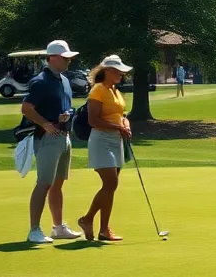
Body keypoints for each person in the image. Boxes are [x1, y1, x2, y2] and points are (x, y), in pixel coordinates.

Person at [19, 40, 83, 244]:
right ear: (52, 58)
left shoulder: (63, 80)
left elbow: (66, 106)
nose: (69, 61)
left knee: (58, 184)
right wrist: (46, 124)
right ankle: (34, 230)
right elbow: (27, 108)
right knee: (44, 183)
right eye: (65, 58)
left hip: (63, 136)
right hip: (47, 137)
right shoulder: (41, 81)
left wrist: (67, 119)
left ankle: (58, 227)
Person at [78, 55, 134, 242]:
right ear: (107, 71)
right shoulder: (98, 90)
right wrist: (119, 127)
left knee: (110, 186)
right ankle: (87, 219)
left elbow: (121, 114)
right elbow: (93, 120)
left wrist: (125, 123)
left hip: (116, 140)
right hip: (101, 140)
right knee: (111, 183)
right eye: (117, 71)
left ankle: (104, 230)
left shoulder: (114, 90)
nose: (121, 73)